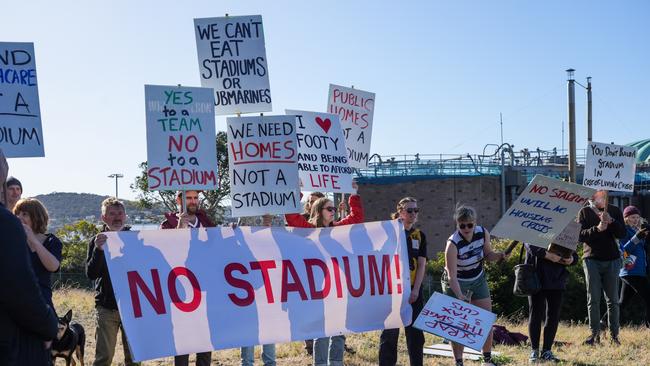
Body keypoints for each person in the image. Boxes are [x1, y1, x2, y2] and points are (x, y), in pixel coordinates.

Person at [285, 189, 363, 366]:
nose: (333, 212)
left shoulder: (337, 229)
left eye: (334, 209)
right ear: (319, 211)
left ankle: (336, 362)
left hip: (338, 286)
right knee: (321, 328)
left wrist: (354, 194)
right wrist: (296, 194)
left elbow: (357, 218)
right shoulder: (308, 230)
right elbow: (291, 217)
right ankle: (320, 363)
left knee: (338, 327)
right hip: (317, 287)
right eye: (330, 209)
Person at [0, 148, 58, 366]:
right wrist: (47, 327)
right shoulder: (6, 224)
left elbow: (52, 266)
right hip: (15, 331)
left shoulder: (48, 239)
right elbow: (17, 287)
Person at [442, 205, 506, 366]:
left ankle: (487, 359)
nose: (466, 228)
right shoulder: (452, 244)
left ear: (475, 223)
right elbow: (452, 276)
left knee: (486, 319)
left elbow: (488, 255)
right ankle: (458, 361)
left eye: (469, 225)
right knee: (458, 324)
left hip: (477, 278)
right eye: (461, 225)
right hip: (457, 281)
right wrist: (460, 296)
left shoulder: (482, 233)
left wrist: (498, 256)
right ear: (457, 224)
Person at [161, 190, 214, 366]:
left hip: (205, 290)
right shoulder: (167, 224)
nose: (192, 201)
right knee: (183, 344)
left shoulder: (206, 222)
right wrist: (178, 229)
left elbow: (219, 247)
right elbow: (165, 254)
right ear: (178, 200)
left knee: (205, 341)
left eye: (195, 198)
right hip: (181, 291)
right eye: (188, 198)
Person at [86, 197, 139, 366]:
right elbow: (91, 274)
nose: (117, 217)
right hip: (107, 307)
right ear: (103, 218)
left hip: (134, 307)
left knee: (134, 358)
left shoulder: (137, 239)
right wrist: (99, 251)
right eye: (112, 213)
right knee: (104, 358)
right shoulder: (96, 241)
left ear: (125, 216)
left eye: (120, 213)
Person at [378, 197, 428, 366]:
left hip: (413, 289)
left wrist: (416, 290)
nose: (413, 214)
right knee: (390, 334)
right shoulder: (388, 232)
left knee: (415, 335)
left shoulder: (419, 235)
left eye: (416, 210)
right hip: (392, 289)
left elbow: (422, 264)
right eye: (409, 210)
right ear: (400, 211)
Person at [578, 190, 626, 345]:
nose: (599, 198)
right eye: (596, 195)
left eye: (602, 196)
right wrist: (597, 228)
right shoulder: (584, 211)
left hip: (612, 259)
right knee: (593, 298)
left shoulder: (614, 210)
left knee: (613, 300)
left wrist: (611, 221)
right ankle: (594, 334)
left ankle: (614, 336)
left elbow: (622, 233)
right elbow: (579, 236)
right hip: (591, 259)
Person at [237, 214, 281, 366]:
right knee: (249, 327)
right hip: (247, 281)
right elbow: (239, 240)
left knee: (268, 326)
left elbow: (280, 245)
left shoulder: (277, 216)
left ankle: (270, 362)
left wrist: (268, 231)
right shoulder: (245, 214)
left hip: (268, 281)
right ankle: (247, 363)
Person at [525, 242, 578, 363]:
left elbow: (574, 255)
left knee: (553, 316)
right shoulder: (536, 223)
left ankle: (547, 351)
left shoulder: (565, 229)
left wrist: (572, 259)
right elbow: (528, 245)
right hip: (535, 277)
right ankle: (534, 351)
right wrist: (546, 254)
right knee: (535, 314)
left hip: (557, 279)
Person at [13, 198, 63, 312]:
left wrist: (33, 240)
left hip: (41, 303)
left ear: (36, 217)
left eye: (24, 214)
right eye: (16, 214)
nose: (19, 217)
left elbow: (53, 266)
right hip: (15, 304)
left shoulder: (52, 241)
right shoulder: (13, 240)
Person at [618, 206, 650, 327]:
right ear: (626, 218)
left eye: (637, 217)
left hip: (636, 271)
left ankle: (603, 323)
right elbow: (624, 250)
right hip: (631, 271)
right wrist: (637, 237)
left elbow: (642, 250)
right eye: (632, 217)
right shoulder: (624, 230)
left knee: (622, 303)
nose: (635, 219)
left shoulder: (639, 229)